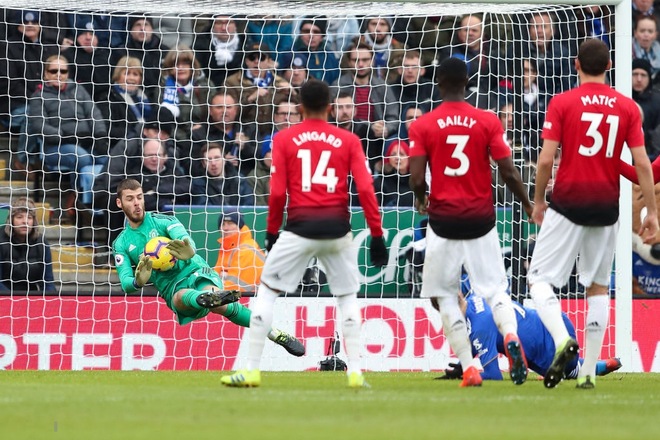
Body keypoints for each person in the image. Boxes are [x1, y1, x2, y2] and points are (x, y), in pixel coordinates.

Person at [220, 80, 388, 388]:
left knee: (267, 292)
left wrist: (271, 232)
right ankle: (355, 372)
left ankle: (252, 370)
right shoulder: (348, 139)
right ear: (330, 108)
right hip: (338, 228)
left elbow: (277, 193)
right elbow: (366, 188)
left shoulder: (285, 139)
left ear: (299, 109)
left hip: (299, 227)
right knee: (347, 298)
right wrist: (376, 234)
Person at [527, 39, 658, 390]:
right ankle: (587, 374)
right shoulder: (627, 107)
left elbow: (544, 160)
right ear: (610, 65)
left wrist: (539, 200)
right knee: (598, 289)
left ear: (575, 64)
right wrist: (651, 212)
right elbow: (642, 163)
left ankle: (560, 340)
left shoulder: (562, 102)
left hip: (569, 202)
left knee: (539, 280)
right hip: (606, 207)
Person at [408, 57, 534, 388]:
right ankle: (510, 335)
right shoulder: (488, 120)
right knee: (494, 290)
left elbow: (417, 177)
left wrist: (422, 199)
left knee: (443, 295)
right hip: (481, 219)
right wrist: (527, 201)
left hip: (443, 221)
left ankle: (468, 368)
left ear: (437, 82)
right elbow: (507, 171)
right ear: (467, 83)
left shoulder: (423, 125)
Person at [113, 178, 305, 357]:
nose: (137, 203)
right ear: (120, 203)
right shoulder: (121, 243)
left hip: (193, 269)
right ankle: (207, 299)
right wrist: (138, 281)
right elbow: (126, 283)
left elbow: (185, 239)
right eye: (130, 199)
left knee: (218, 303)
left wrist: (189, 250)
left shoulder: (164, 221)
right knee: (181, 298)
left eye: (139, 197)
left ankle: (274, 333)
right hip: (170, 285)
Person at [437, 293, 622, 381]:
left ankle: (576, 367)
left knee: (566, 370)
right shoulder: (477, 297)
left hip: (546, 354)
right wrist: (463, 366)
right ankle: (598, 365)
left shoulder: (478, 328)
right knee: (572, 367)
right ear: (460, 294)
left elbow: (494, 375)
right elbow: (479, 339)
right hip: (558, 323)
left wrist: (468, 374)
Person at [0, 197, 55, 292]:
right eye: (19, 217)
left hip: (32, 297)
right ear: (11, 220)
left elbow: (48, 282)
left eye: (29, 217)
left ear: (34, 221)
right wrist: (16, 301)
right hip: (4, 297)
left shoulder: (42, 242)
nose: (25, 221)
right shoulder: (1, 240)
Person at [214, 211, 265, 292]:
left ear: (240, 226)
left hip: (251, 301)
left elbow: (235, 288)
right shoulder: (226, 248)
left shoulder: (246, 249)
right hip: (231, 298)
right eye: (222, 224)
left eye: (230, 223)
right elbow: (215, 277)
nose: (225, 228)